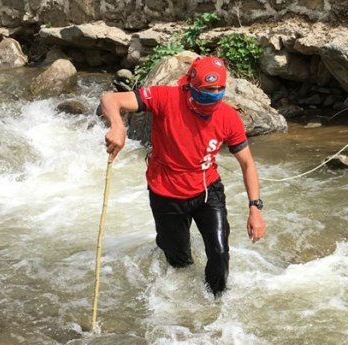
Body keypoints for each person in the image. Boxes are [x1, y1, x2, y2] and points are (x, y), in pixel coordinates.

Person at [99, 56, 267, 296]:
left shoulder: (229, 117)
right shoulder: (166, 98)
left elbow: (247, 164)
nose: (214, 95)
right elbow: (110, 99)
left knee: (220, 253)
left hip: (207, 191)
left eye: (219, 89)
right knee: (179, 261)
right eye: (207, 90)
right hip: (165, 192)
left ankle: (216, 303)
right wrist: (117, 126)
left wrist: (255, 208)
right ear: (191, 86)